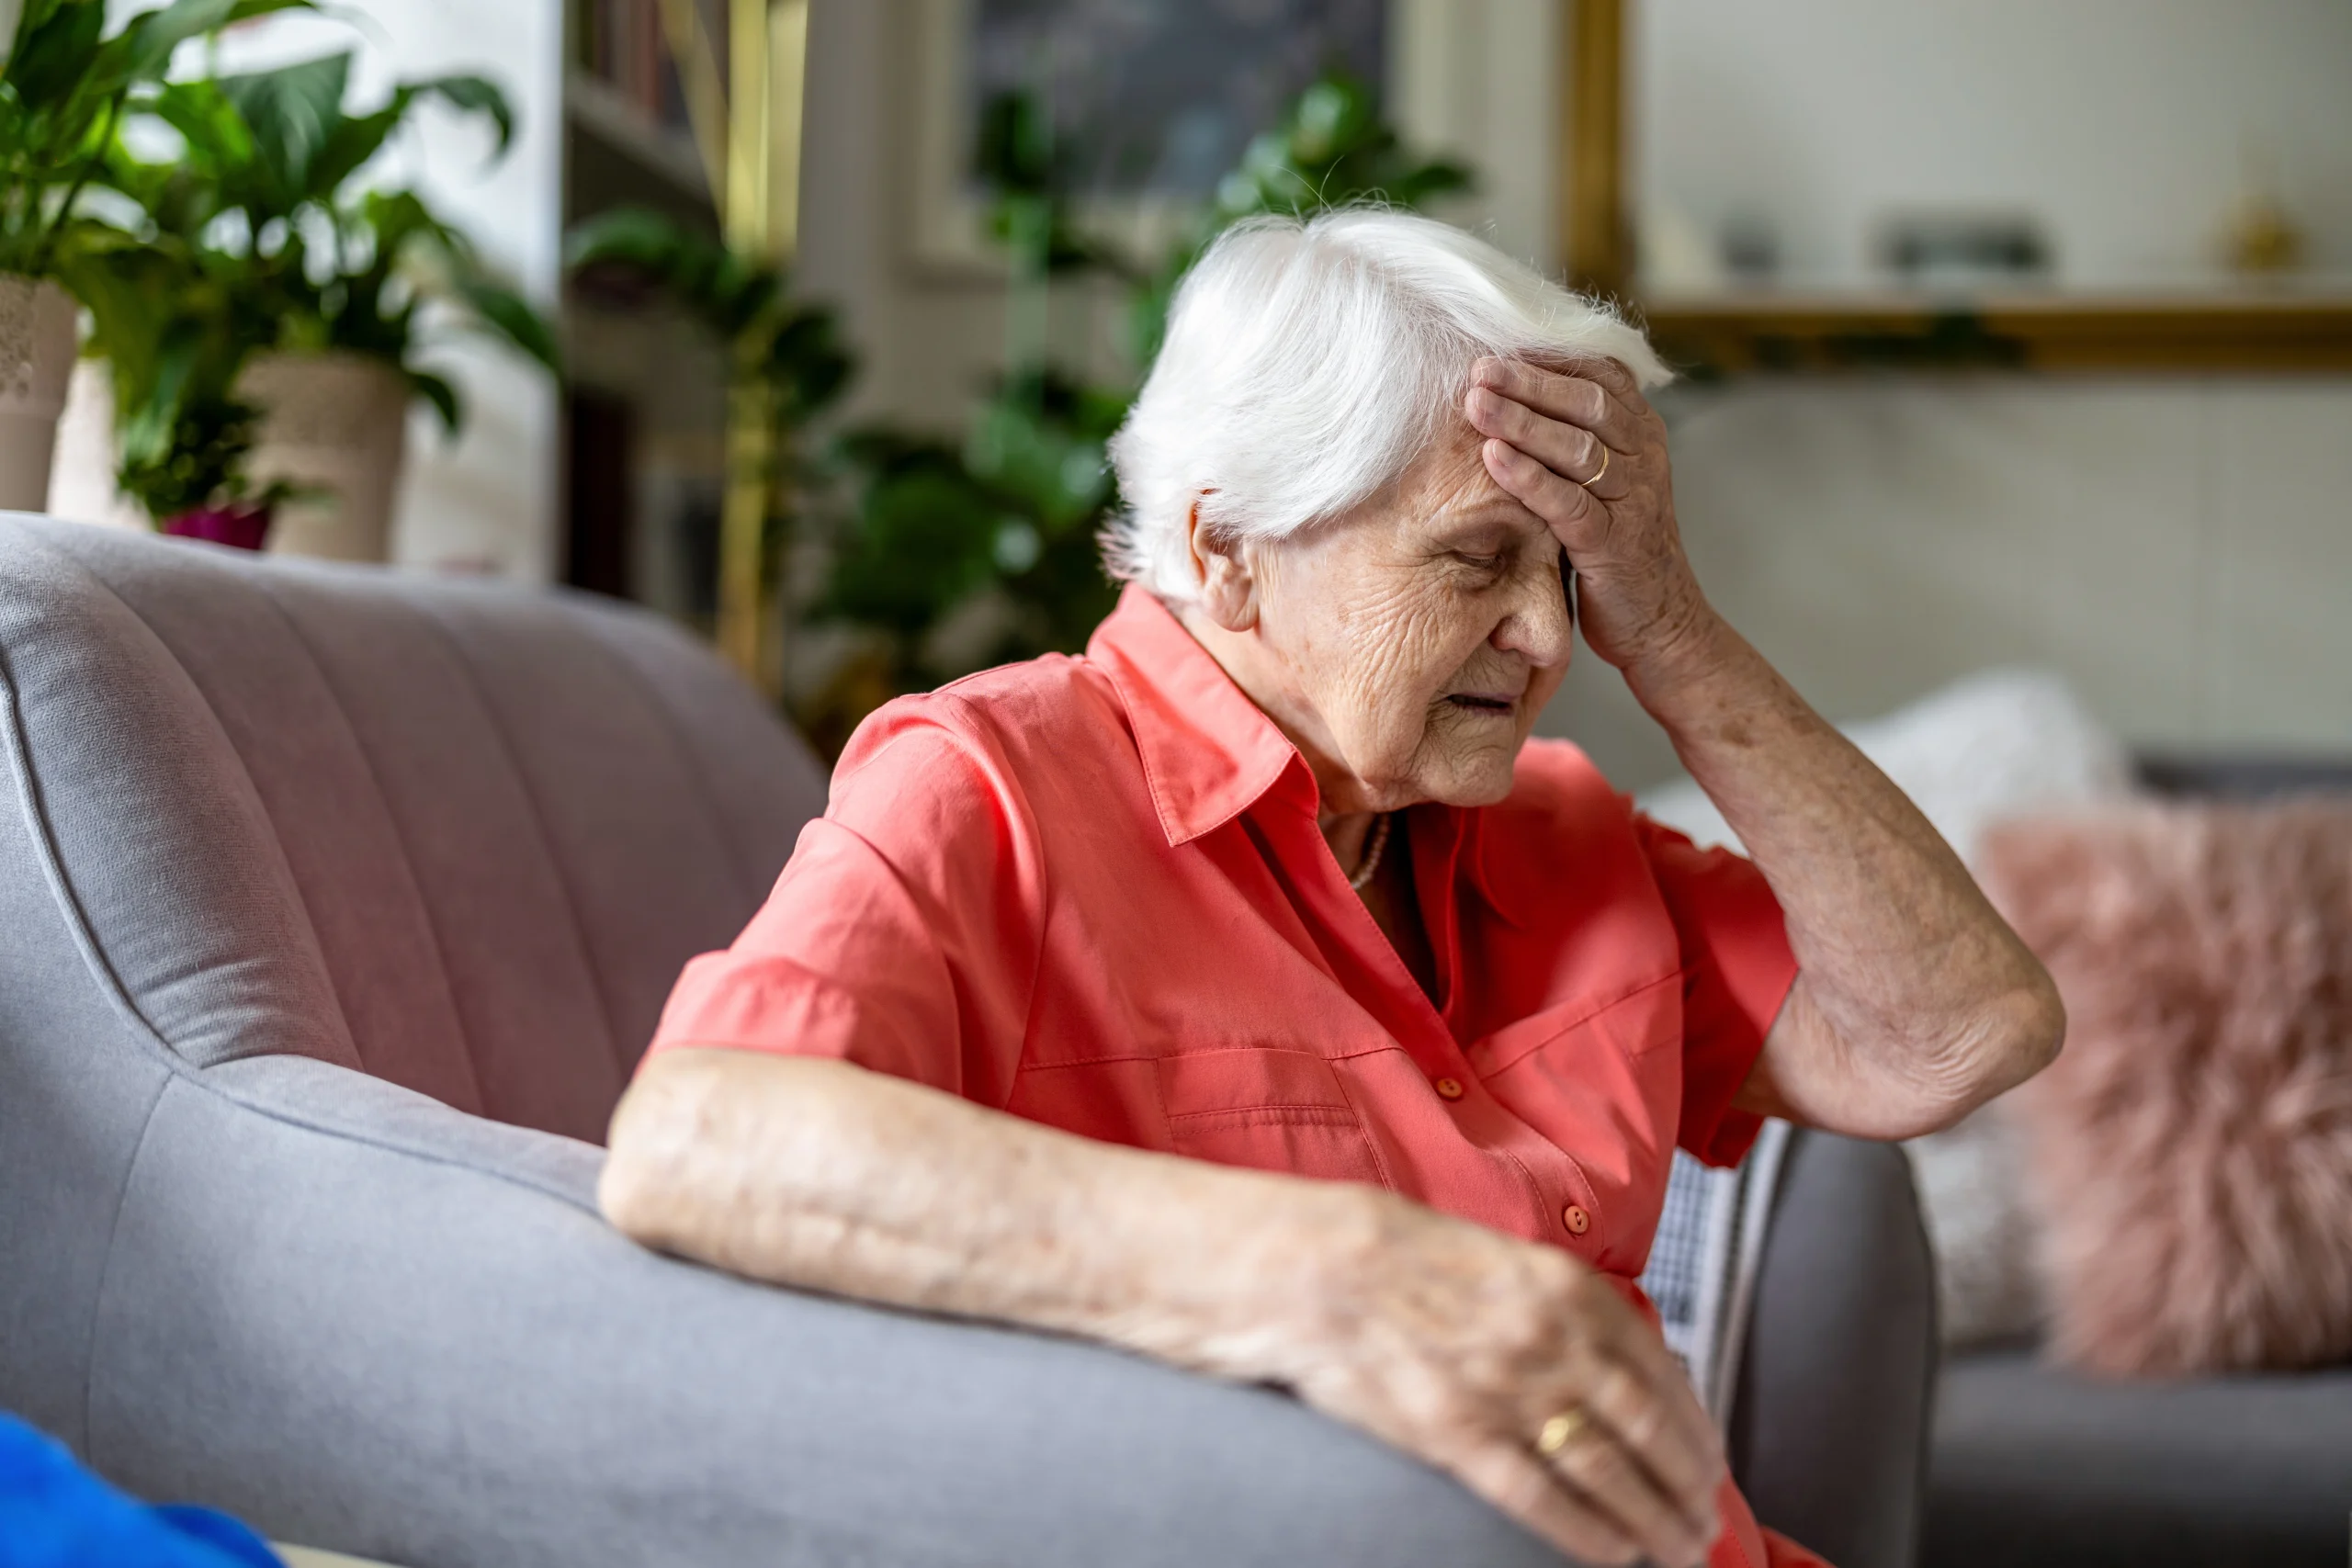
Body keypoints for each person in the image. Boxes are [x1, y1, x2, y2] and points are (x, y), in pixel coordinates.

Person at [598, 209, 2063, 1568]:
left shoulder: (1560, 827)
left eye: (1568, 570)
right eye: (1478, 560)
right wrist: (1337, 1270)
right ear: (1225, 550)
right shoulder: (994, 784)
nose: (1549, 636)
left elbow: (1960, 1030)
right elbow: (702, 1133)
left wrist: (1671, 624)